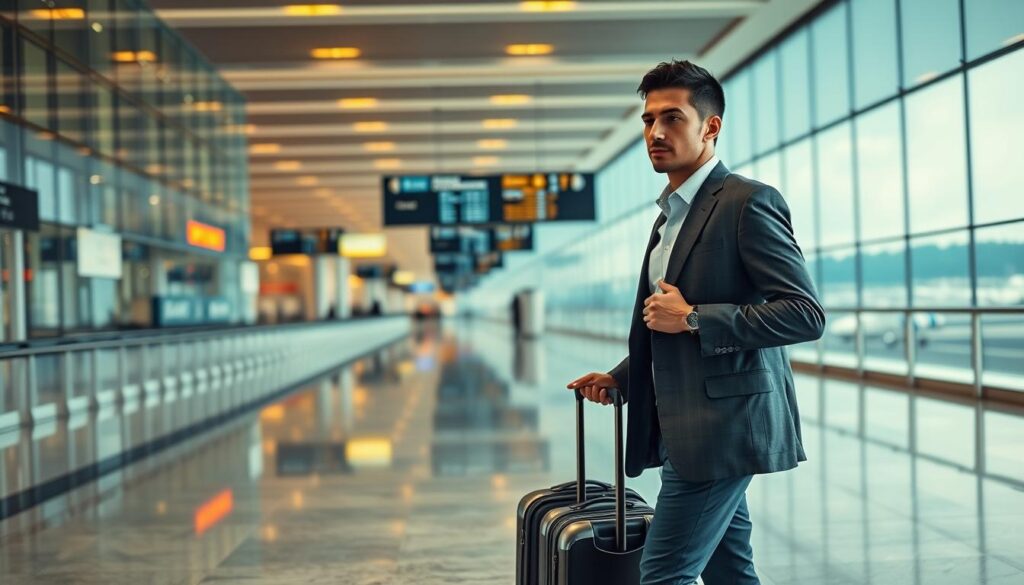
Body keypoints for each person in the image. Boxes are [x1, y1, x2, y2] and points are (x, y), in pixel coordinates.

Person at [567, 60, 825, 585]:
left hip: (721, 431)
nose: (655, 133)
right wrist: (624, 373)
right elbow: (661, 322)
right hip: (686, 426)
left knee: (664, 575)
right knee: (730, 574)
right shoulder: (670, 214)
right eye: (647, 120)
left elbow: (805, 313)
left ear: (711, 126)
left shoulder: (747, 203)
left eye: (673, 118)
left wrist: (693, 319)